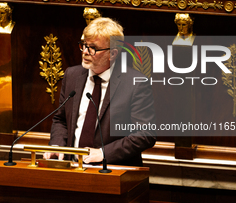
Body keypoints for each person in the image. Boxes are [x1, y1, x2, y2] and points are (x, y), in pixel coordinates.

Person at [43, 17, 156, 166]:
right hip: (71, 168)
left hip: (113, 170)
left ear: (113, 54)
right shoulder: (72, 75)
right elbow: (61, 119)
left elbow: (144, 134)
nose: (85, 52)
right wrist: (57, 146)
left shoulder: (135, 83)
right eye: (84, 45)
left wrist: (103, 153)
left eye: (93, 48)